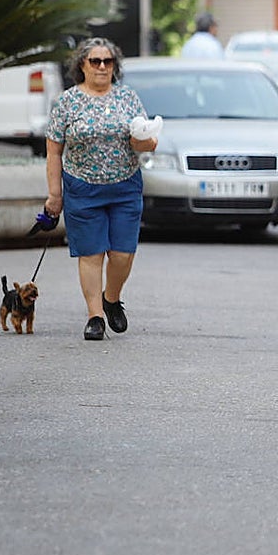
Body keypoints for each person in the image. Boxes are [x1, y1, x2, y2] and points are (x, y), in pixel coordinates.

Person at [44, 38, 158, 341]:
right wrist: (55, 194)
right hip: (82, 187)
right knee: (91, 253)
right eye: (95, 61)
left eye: (108, 61)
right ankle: (95, 315)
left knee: (122, 254)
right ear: (82, 65)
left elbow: (146, 139)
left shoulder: (127, 98)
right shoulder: (67, 102)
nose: (102, 67)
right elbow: (54, 150)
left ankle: (111, 298)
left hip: (124, 186)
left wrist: (145, 141)